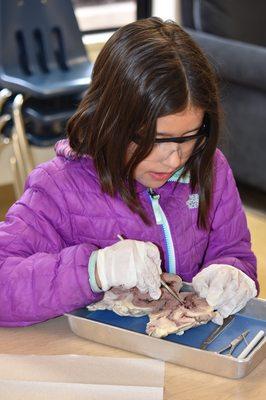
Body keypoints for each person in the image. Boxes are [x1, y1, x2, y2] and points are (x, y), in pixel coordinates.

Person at [0, 17, 257, 327]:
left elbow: (233, 250)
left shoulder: (209, 168)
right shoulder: (56, 187)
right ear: (111, 121)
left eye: (189, 137)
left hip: (188, 357)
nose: (174, 158)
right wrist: (94, 270)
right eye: (155, 140)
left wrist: (233, 274)